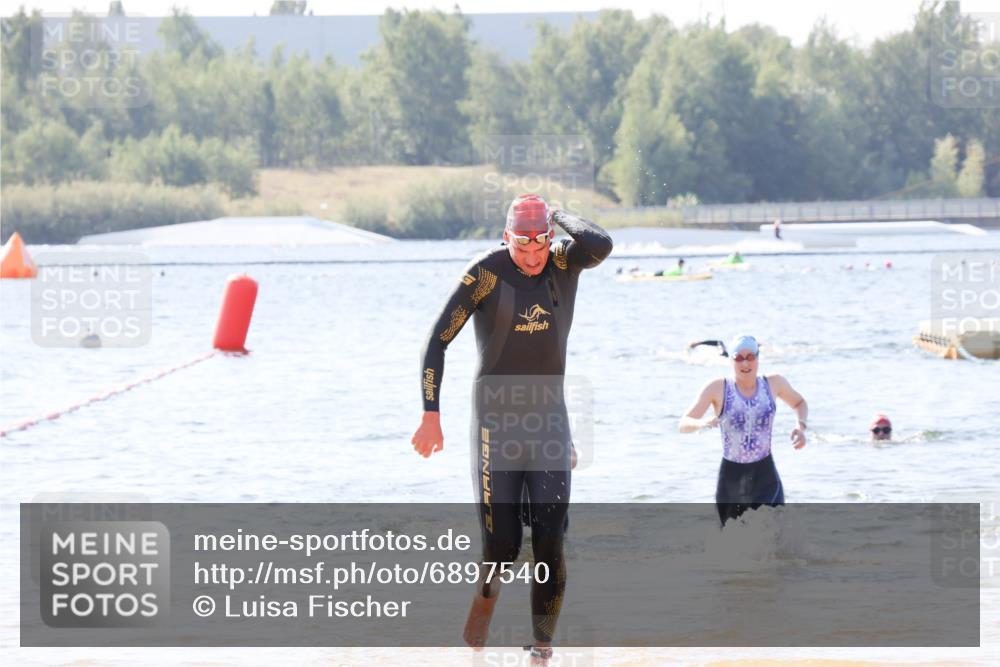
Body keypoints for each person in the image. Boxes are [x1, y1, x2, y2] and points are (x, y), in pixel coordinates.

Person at [411, 194, 612, 664]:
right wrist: (430, 414)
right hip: (495, 428)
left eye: (540, 245)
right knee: (502, 548)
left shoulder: (565, 261)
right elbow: (437, 342)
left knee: (549, 540)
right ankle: (482, 617)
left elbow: (600, 243)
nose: (532, 256)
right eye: (522, 247)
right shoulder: (485, 273)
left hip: (549, 425)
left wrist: (554, 211)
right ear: (506, 239)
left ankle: (541, 651)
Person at [677, 335, 808, 526]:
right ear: (730, 360)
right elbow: (684, 423)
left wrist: (800, 426)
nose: (745, 363)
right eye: (739, 358)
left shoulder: (774, 383)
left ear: (758, 357)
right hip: (731, 477)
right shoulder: (718, 388)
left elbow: (799, 403)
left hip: (765, 475)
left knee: (766, 536)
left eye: (750, 357)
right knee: (731, 542)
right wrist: (702, 423)